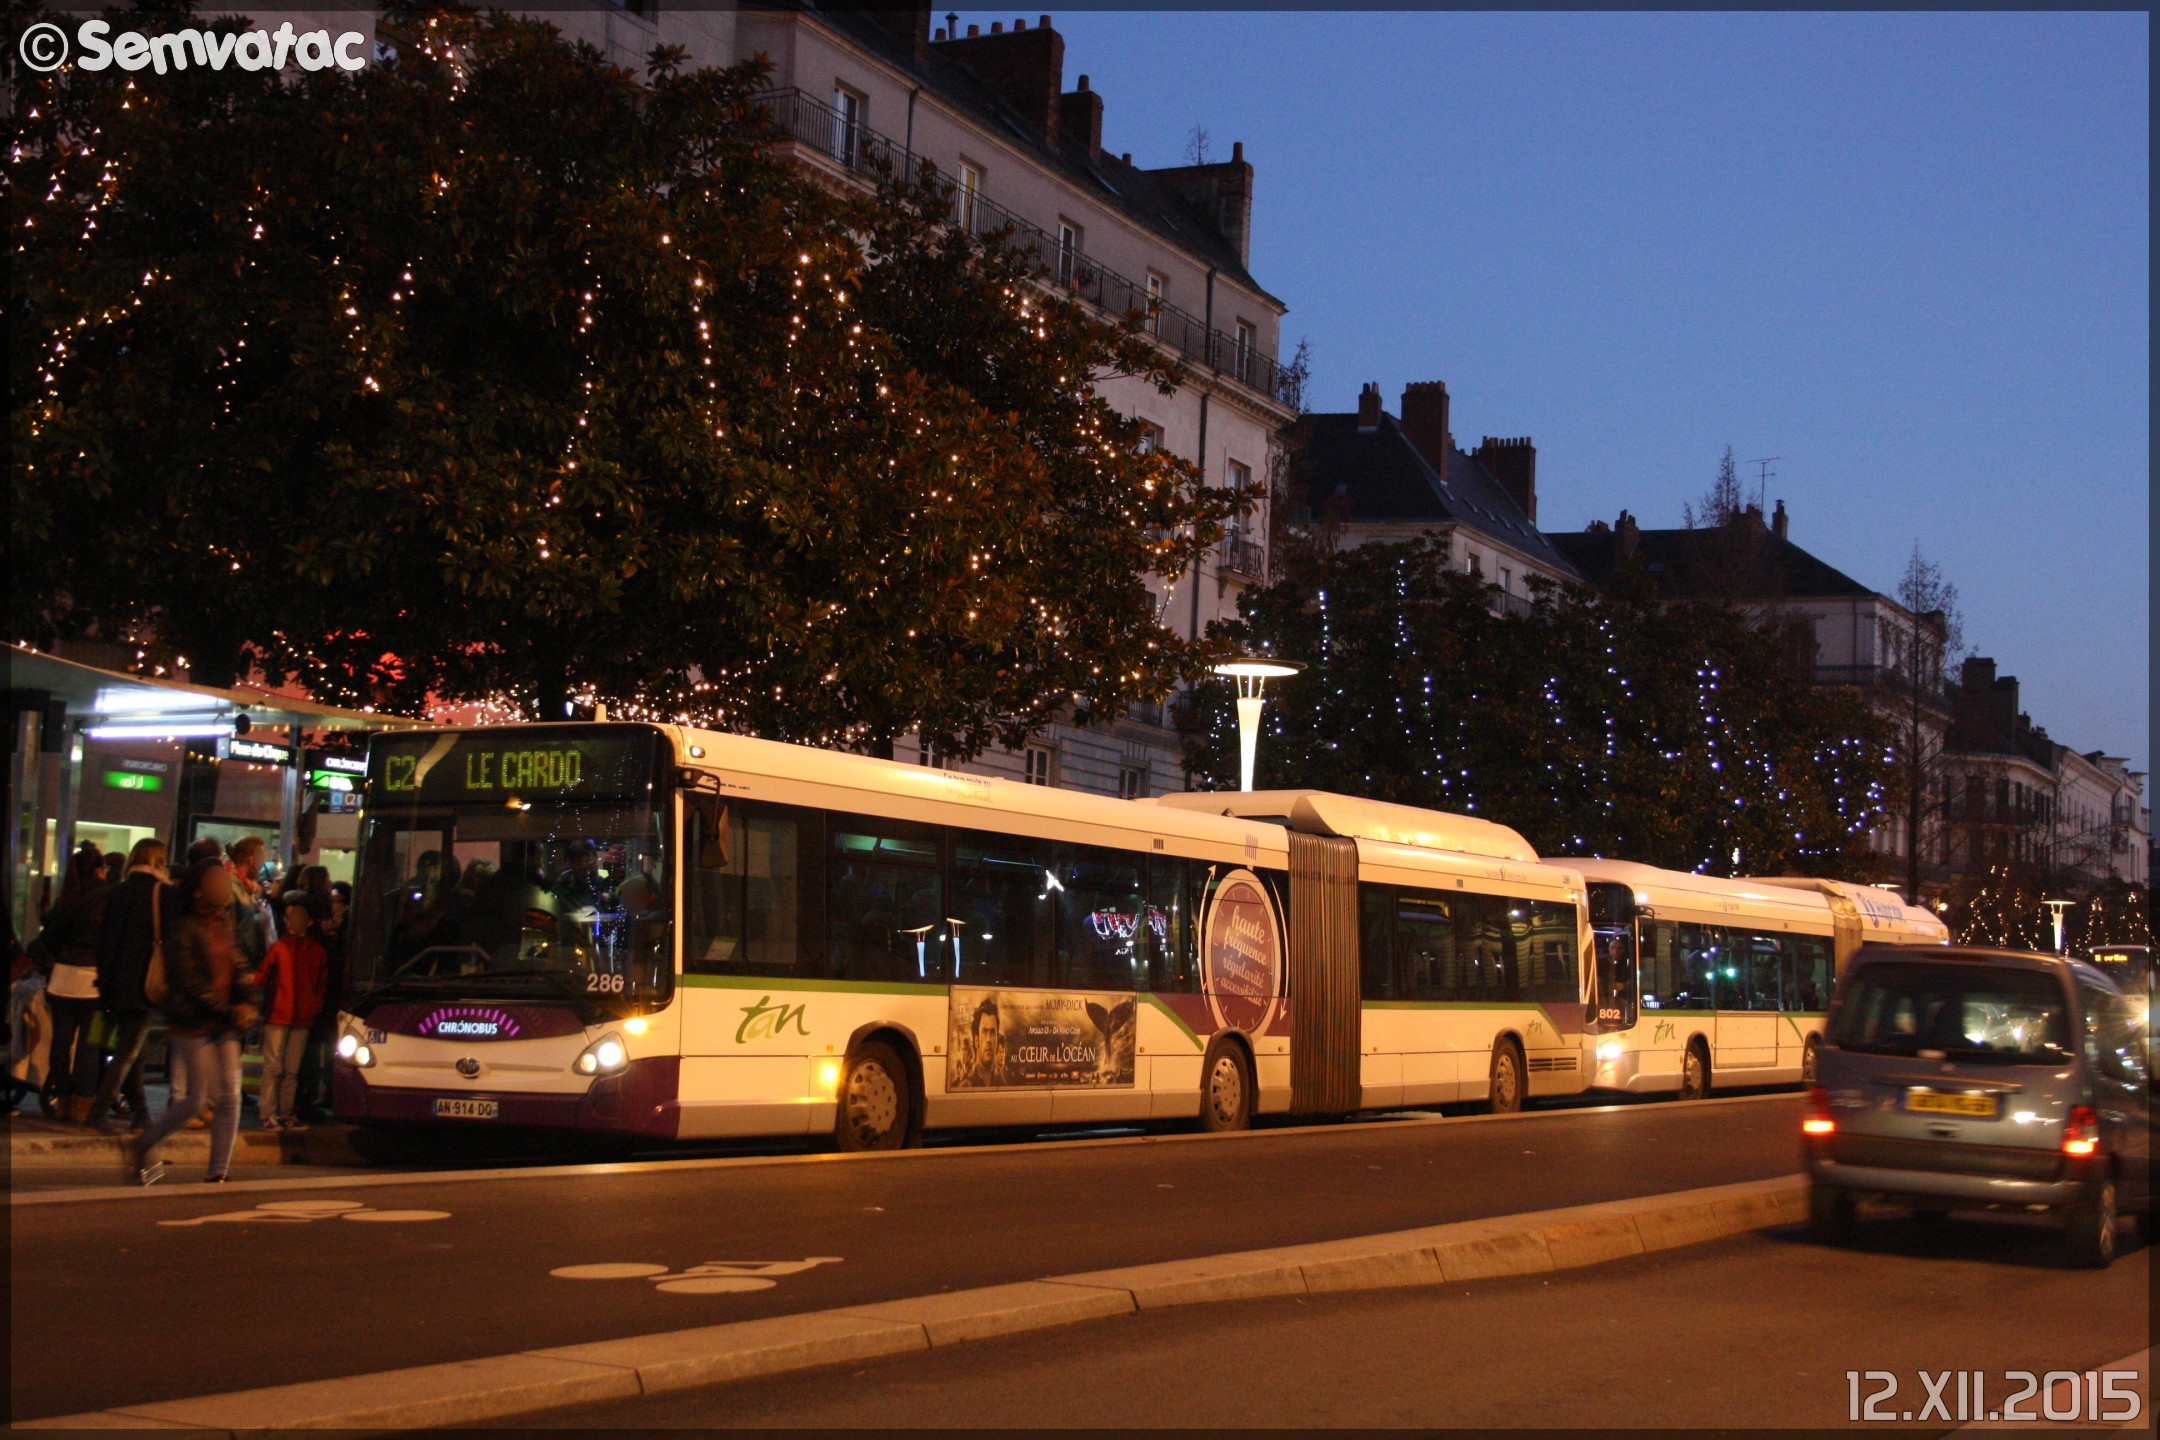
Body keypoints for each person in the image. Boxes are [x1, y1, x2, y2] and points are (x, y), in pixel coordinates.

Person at [128, 858, 258, 1185]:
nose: (225, 886)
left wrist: (247, 1000)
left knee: (230, 1097)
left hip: (225, 1022)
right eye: (217, 880)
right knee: (196, 1100)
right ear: (199, 890)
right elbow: (190, 982)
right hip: (193, 1020)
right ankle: (143, 1145)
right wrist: (232, 1011)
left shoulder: (225, 921)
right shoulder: (183, 927)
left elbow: (239, 966)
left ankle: (218, 1172)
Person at [89, 839, 169, 1133]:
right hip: (144, 983)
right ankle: (99, 1111)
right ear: (159, 861)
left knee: (133, 1049)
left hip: (115, 984)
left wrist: (105, 983)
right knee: (129, 1050)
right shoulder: (161, 893)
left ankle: (141, 1112)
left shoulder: (118, 892)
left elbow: (106, 943)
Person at [37, 844, 111, 1124]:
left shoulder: (66, 898)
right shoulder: (107, 896)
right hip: (94, 981)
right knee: (90, 1046)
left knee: (60, 1043)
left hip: (62, 979)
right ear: (100, 870)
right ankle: (82, 1104)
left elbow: (48, 938)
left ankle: (64, 1100)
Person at [254, 895, 327, 1131]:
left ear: (308, 922)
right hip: (288, 1015)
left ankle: (277, 1113)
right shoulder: (292, 949)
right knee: (281, 1069)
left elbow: (261, 978)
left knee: (285, 1069)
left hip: (289, 1014)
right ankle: (273, 1113)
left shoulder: (288, 949)